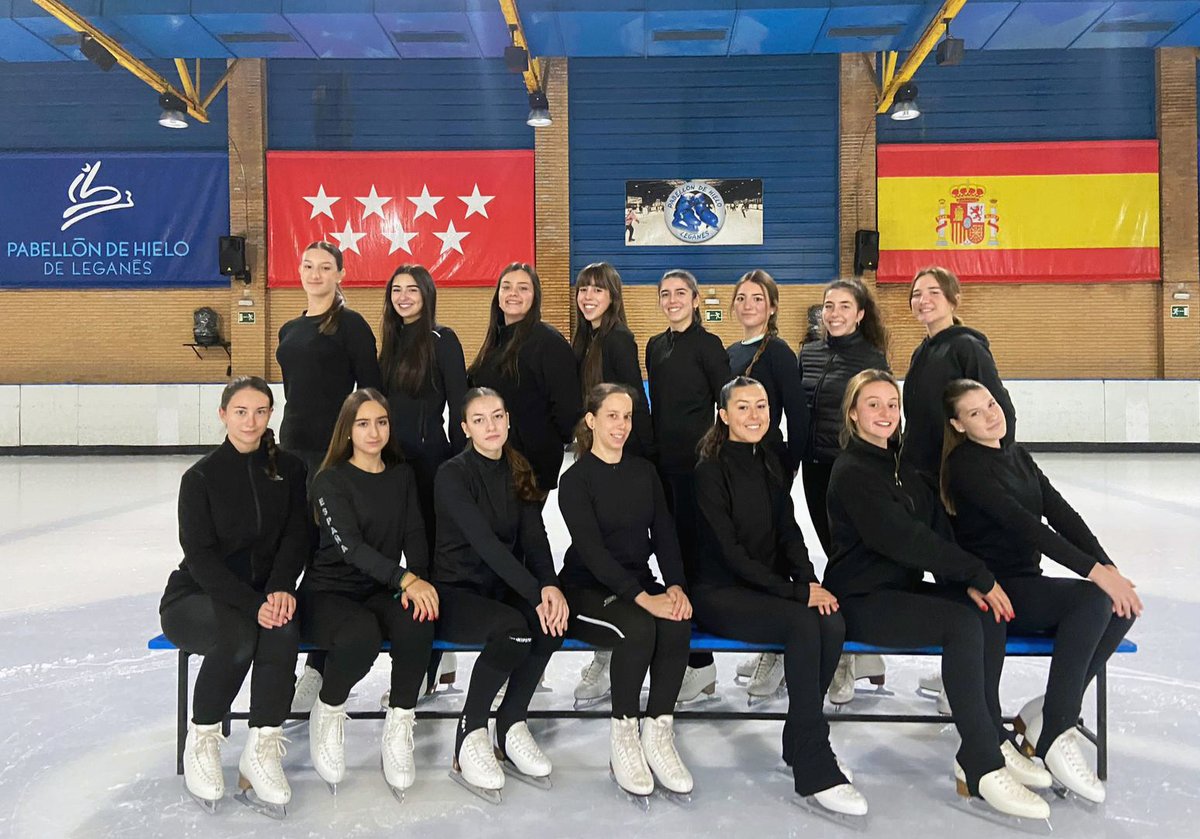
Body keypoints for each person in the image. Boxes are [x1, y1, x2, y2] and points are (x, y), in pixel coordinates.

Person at [824, 370, 1052, 821]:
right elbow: (903, 539)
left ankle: (990, 737)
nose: (886, 412)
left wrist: (970, 581)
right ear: (853, 413)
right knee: (961, 622)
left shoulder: (900, 466)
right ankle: (981, 761)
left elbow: (936, 529)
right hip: (862, 599)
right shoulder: (851, 471)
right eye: (873, 404)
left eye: (892, 403)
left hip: (901, 591)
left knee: (982, 610)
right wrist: (977, 572)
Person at [940, 379, 1141, 803]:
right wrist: (1094, 576)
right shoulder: (966, 467)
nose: (990, 415)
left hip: (1026, 582)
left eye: (991, 404)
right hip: (994, 590)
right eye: (975, 413)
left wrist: (1109, 568)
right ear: (958, 425)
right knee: (1093, 599)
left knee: (1121, 606)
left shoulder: (1016, 455)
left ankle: (1046, 713)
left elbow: (1060, 513)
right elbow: (1025, 524)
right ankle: (1056, 729)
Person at [692, 377, 865, 817]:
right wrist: (795, 593)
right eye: (744, 408)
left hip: (768, 588)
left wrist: (810, 583)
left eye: (762, 406)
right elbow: (728, 554)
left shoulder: (770, 461)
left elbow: (789, 533)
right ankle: (812, 761)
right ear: (724, 415)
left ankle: (797, 736)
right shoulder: (709, 470)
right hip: (721, 592)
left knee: (832, 619)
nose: (755, 416)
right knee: (803, 621)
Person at [159, 376, 308, 817]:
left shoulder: (290, 470)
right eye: (241, 411)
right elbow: (201, 558)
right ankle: (202, 738)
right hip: (197, 596)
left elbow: (296, 537)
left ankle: (262, 747)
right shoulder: (200, 478)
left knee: (282, 633)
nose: (251, 421)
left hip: (267, 595)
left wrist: (280, 588)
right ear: (223, 414)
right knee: (240, 636)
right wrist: (253, 604)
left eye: (260, 411)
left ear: (270, 416)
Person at [298, 389, 439, 801]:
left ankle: (399, 723)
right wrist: (405, 580)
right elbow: (352, 549)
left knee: (418, 620)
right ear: (347, 430)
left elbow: (413, 532)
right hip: (328, 593)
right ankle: (328, 710)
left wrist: (422, 583)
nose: (373, 431)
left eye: (381, 422)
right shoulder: (330, 480)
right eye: (363, 423)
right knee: (361, 635)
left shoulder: (401, 474)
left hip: (382, 587)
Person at [430, 387, 568, 802]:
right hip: (457, 591)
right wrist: (534, 591)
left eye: (497, 416)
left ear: (508, 419)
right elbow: (485, 545)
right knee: (514, 630)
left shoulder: (517, 468)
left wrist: (550, 587)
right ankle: (470, 733)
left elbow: (535, 538)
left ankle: (510, 724)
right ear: (465, 428)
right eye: (479, 419)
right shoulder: (452, 474)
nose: (490, 426)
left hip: (502, 586)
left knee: (552, 626)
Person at [558, 384, 695, 801]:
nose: (621, 425)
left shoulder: (643, 472)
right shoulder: (576, 480)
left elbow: (666, 534)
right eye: (612, 415)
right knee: (639, 628)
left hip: (636, 580)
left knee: (675, 624)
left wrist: (675, 587)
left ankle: (658, 732)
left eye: (628, 416)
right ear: (591, 420)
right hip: (587, 589)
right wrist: (642, 597)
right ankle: (624, 736)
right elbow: (594, 555)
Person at [276, 241, 383, 712]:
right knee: (289, 547)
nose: (315, 273)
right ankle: (281, 656)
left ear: (341, 274)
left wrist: (359, 446)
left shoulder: (351, 326)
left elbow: (371, 391)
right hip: (290, 451)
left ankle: (316, 668)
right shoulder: (288, 327)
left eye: (325, 267)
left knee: (327, 556)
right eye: (308, 266)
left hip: (332, 455)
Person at [797, 279, 890, 704]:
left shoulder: (871, 358)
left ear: (860, 314)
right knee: (832, 551)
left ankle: (849, 654)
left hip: (851, 471)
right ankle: (854, 643)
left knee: (849, 557)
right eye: (828, 305)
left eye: (844, 306)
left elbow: (881, 417)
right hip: (815, 470)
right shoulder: (809, 353)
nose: (833, 313)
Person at [642, 268, 730, 703]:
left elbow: (725, 407)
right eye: (665, 293)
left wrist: (717, 461)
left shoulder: (709, 347)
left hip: (698, 470)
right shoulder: (656, 346)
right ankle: (682, 647)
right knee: (671, 558)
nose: (672, 299)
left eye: (680, 293)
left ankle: (701, 663)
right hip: (664, 471)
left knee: (697, 561)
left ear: (696, 300)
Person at [467, 262, 581, 495]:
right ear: (498, 296)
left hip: (530, 464)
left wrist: (539, 439)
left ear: (535, 296)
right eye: (506, 287)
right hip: (494, 458)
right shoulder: (496, 341)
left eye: (523, 288)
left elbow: (568, 409)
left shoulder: (548, 342)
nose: (513, 294)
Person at [902, 266, 1015, 481]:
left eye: (934, 292)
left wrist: (998, 466)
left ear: (953, 300)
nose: (924, 299)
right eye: (917, 294)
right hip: (921, 473)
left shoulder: (967, 347)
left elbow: (1002, 409)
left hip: (955, 473)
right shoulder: (921, 352)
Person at [726, 269, 809, 478]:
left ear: (772, 307)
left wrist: (790, 463)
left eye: (757, 299)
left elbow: (798, 414)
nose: (748, 305)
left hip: (767, 461)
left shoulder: (778, 352)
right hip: (733, 459)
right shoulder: (730, 352)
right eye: (741, 298)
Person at [572, 261, 653, 458]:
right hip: (595, 441)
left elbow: (635, 396)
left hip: (620, 445)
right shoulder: (586, 338)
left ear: (612, 297)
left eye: (598, 290)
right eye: (583, 289)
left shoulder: (618, 338)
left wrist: (650, 450)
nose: (588, 296)